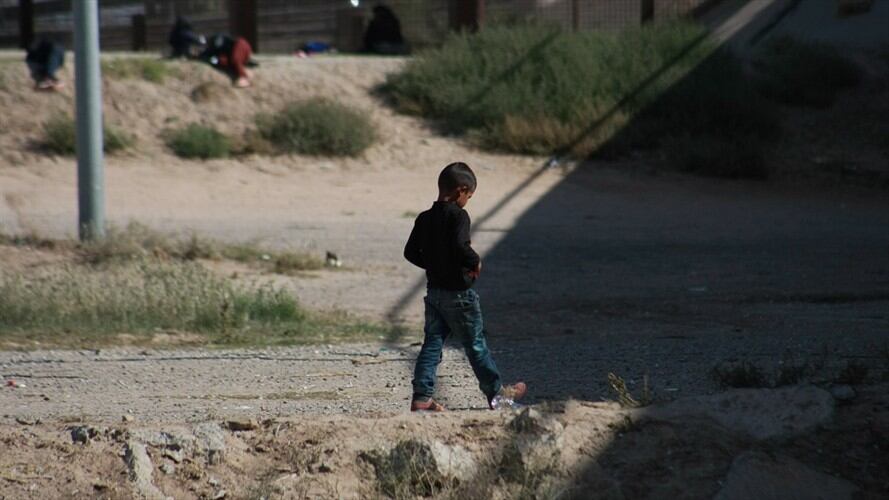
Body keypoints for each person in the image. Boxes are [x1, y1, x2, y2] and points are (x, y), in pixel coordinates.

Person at [404, 162, 527, 412]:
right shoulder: (458, 215)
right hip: (459, 296)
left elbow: (409, 252)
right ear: (461, 190)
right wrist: (475, 261)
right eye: (469, 196)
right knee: (475, 345)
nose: (467, 201)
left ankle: (422, 397)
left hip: (434, 293)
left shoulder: (424, 218)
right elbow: (461, 246)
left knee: (432, 344)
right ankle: (496, 395)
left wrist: (433, 265)